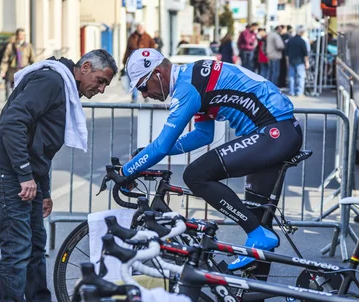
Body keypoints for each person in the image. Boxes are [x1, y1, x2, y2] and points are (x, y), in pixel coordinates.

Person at [0, 49, 118, 302]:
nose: (102, 88)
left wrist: (43, 190)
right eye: (101, 80)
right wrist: (24, 175)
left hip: (21, 171)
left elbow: (40, 143)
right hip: (5, 169)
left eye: (106, 84)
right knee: (18, 247)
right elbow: (13, 123)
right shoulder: (52, 81)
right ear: (85, 67)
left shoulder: (64, 85)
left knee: (36, 244)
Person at [121, 49, 302, 268]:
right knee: (258, 219)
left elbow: (161, 145)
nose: (144, 94)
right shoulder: (192, 76)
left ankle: (257, 234)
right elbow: (202, 134)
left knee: (196, 175)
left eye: (142, 86)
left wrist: (125, 172)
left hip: (273, 133)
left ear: (158, 73)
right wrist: (149, 153)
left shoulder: (187, 88)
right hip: (275, 133)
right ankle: (254, 300)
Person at [122, 24, 155, 103]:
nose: (140, 29)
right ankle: (135, 97)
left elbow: (153, 48)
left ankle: (145, 94)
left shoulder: (147, 37)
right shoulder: (132, 36)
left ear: (144, 28)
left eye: (141, 27)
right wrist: (124, 61)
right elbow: (128, 49)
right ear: (137, 28)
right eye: (139, 27)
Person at [0, 28, 35, 99]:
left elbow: (32, 59)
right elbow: (5, 60)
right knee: (12, 88)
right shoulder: (11, 46)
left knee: (22, 88)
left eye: (23, 35)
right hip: (12, 70)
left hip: (23, 69)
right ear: (16, 36)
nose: (21, 37)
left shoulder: (28, 46)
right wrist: (3, 70)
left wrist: (35, 69)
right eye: (19, 35)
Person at [286, 25, 309, 97]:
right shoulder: (302, 41)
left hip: (291, 61)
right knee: (300, 77)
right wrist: (307, 62)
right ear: (302, 32)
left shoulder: (290, 40)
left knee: (291, 77)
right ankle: (299, 92)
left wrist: (287, 62)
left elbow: (286, 53)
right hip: (300, 61)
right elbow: (305, 53)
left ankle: (291, 91)